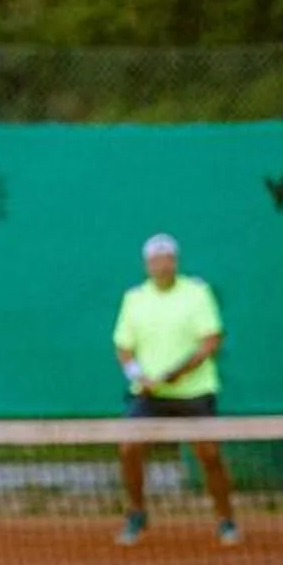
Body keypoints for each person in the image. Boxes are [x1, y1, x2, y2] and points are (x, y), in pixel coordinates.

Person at [112, 231, 238, 547]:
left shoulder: (197, 293)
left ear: (176, 262)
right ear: (147, 265)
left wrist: (177, 373)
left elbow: (211, 340)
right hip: (149, 394)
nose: (162, 265)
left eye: (167, 259)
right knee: (128, 448)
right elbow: (124, 347)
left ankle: (226, 520)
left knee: (208, 455)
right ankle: (137, 514)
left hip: (194, 392)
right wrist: (139, 375)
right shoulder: (134, 298)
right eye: (155, 260)